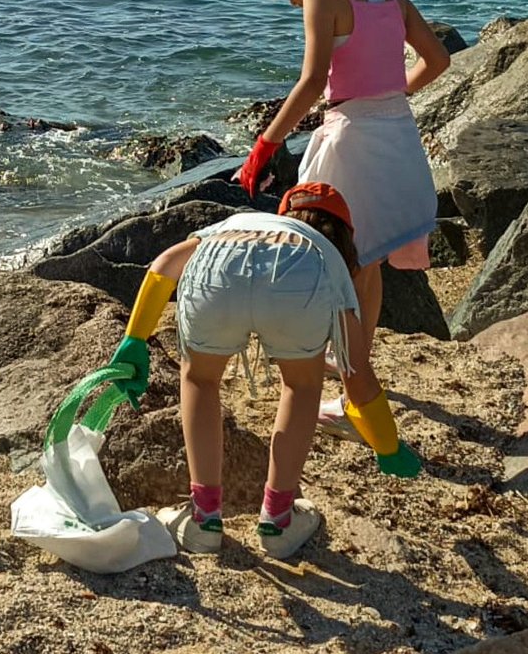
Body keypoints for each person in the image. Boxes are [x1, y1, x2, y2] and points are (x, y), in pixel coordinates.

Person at [105, 182, 420, 560]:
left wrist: (135, 339)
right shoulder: (325, 259)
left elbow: (163, 267)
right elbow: (358, 375)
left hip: (218, 266)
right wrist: (388, 445)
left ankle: (204, 518)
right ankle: (278, 520)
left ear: (283, 214)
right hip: (299, 282)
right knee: (302, 388)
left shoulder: (242, 222)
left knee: (200, 380)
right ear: (346, 236)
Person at [236, 0, 450, 367]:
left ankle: (329, 365)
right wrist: (391, 92)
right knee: (365, 263)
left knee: (328, 257)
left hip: (351, 140)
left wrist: (264, 146)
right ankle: (353, 362)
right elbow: (438, 59)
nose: (288, 2)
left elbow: (312, 82)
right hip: (397, 134)